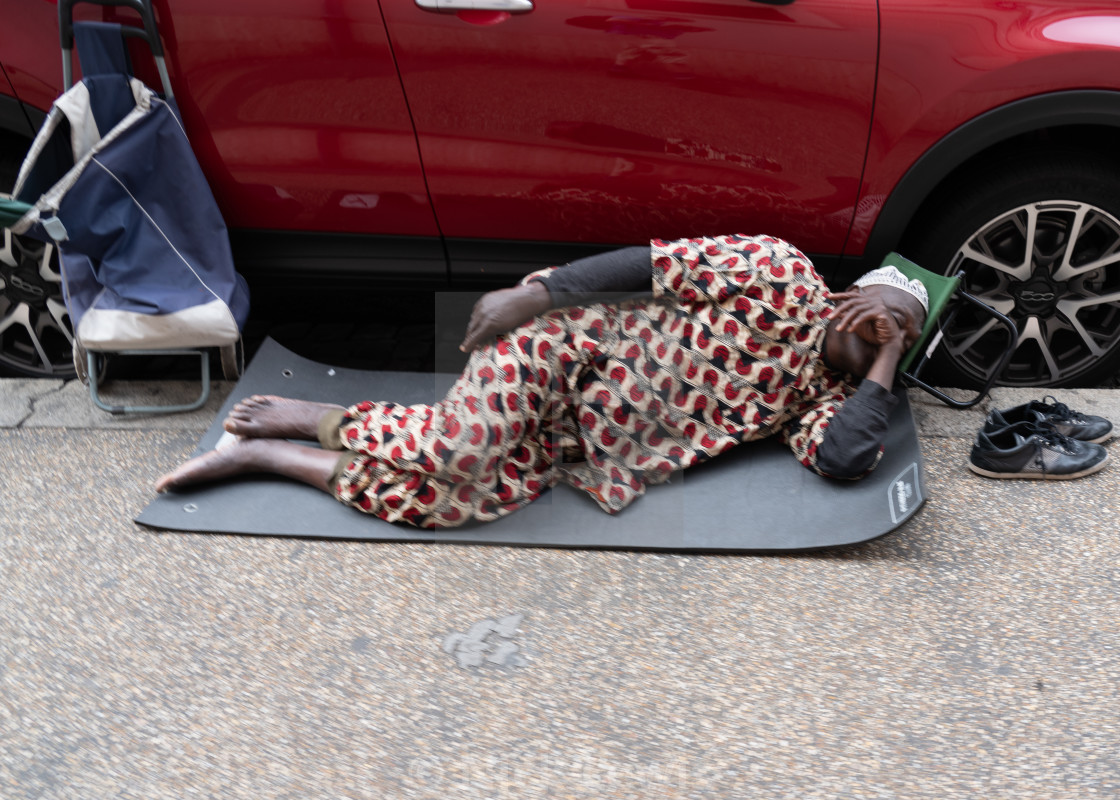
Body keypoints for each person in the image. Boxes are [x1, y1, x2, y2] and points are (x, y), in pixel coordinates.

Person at [156, 233, 928, 529]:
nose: (885, 330)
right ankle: (311, 415)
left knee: (454, 501)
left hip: (580, 444)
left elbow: (842, 460)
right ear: (851, 294)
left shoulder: (825, 401)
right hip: (561, 346)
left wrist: (887, 363)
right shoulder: (781, 273)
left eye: (901, 334)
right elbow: (652, 265)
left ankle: (266, 457)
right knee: (465, 448)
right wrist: (536, 294)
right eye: (883, 312)